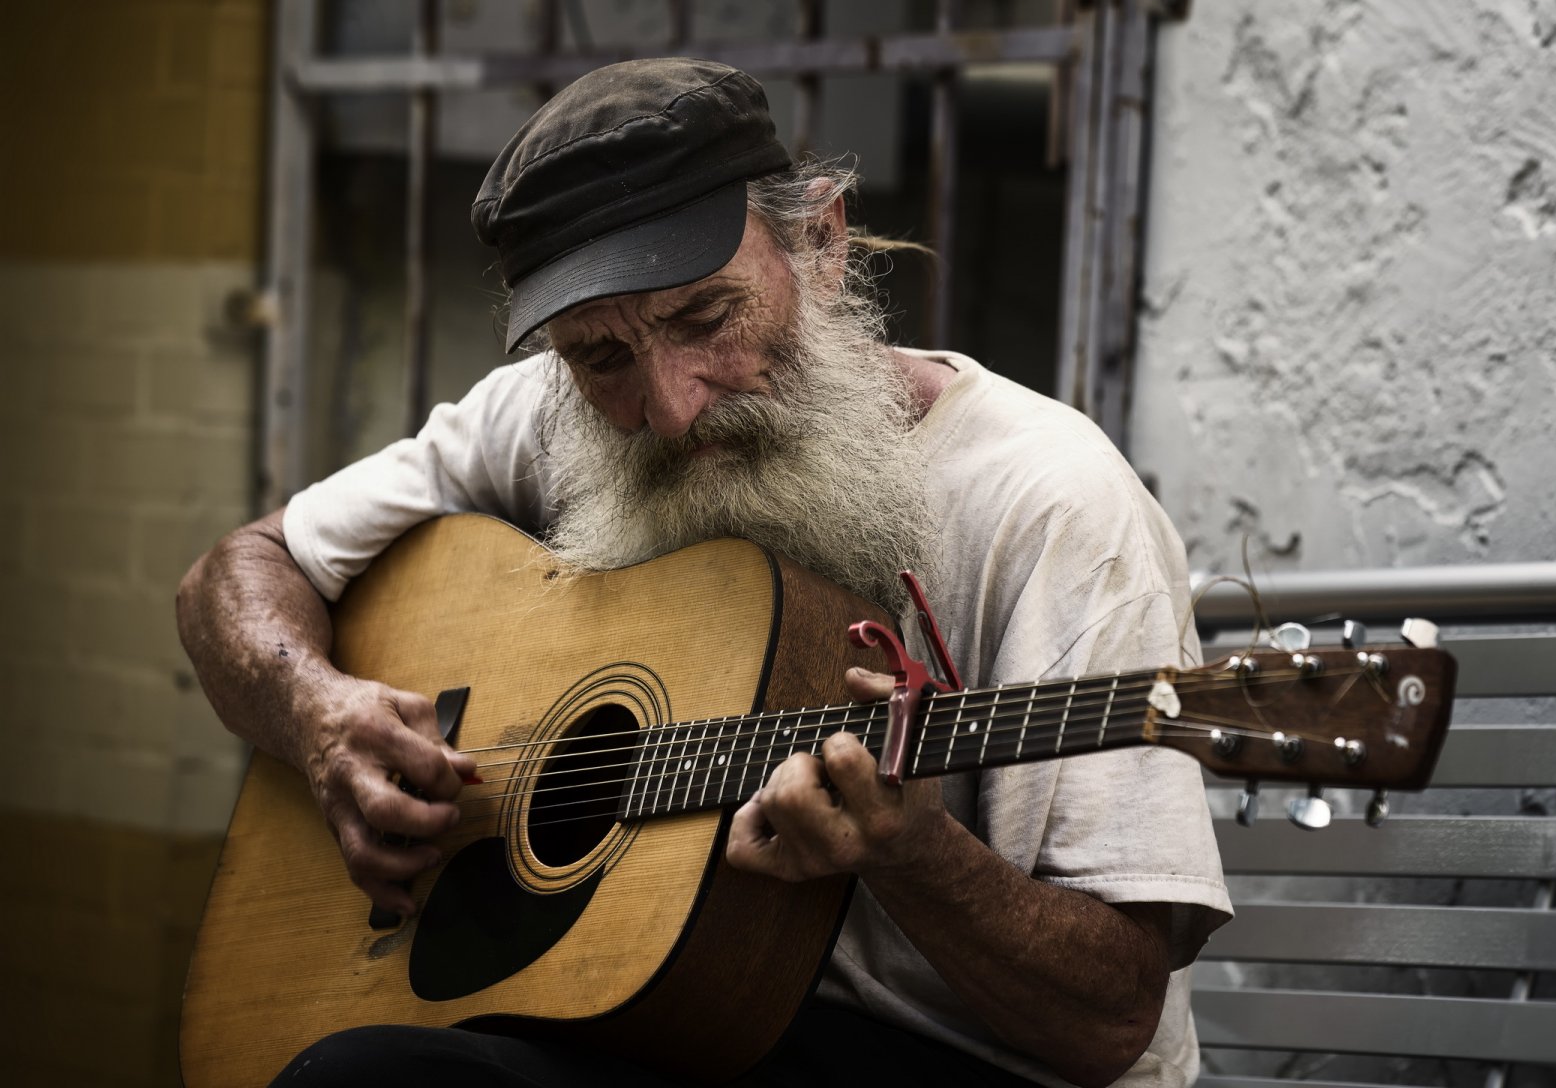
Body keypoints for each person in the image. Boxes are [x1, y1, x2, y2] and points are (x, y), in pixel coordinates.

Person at [177, 59, 1231, 1088]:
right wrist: (319, 718)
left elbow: (1110, 1022)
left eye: (704, 318)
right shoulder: (555, 417)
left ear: (820, 241)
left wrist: (915, 856)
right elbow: (238, 572)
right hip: (680, 1029)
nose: (672, 407)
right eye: (601, 357)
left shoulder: (1052, 502)